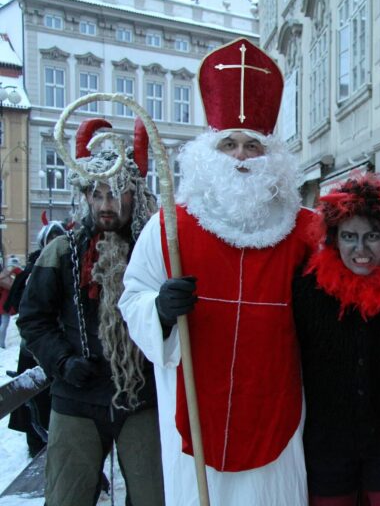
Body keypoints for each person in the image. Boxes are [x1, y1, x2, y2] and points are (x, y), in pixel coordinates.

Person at [119, 38, 313, 505]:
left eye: (253, 145)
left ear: (272, 157)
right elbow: (134, 296)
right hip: (195, 412)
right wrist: (160, 310)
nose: (242, 156)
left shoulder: (305, 230)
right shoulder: (171, 226)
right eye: (230, 144)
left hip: (278, 406)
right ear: (210, 151)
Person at [17, 116, 164, 506]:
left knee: (155, 497)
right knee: (67, 496)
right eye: (96, 195)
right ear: (86, 197)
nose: (105, 205)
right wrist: (62, 362)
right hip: (76, 398)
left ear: (135, 195)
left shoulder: (156, 253)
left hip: (141, 399)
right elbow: (33, 319)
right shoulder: (61, 252)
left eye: (116, 194)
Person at [292, 174, 380, 506]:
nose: (360, 250)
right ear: (334, 239)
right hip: (327, 449)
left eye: (372, 237)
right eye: (349, 237)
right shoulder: (308, 289)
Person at [6, 216, 67, 456]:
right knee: (38, 403)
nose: (54, 242)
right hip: (36, 350)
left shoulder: (70, 265)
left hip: (62, 347)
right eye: (51, 238)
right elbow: (23, 308)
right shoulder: (34, 268)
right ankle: (36, 442)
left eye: (58, 237)